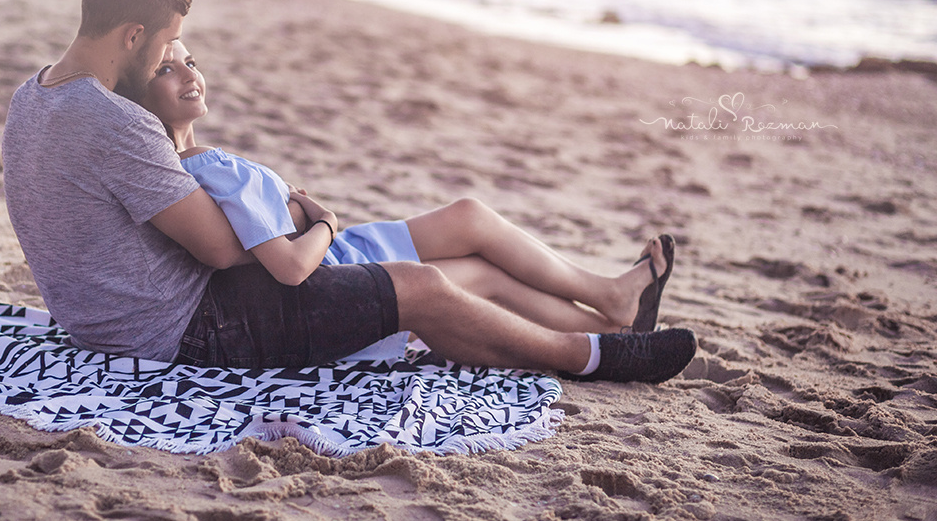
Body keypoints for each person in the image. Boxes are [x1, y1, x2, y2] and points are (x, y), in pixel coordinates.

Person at [2, 0, 696, 384]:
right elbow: (221, 249)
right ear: (131, 35)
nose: (172, 59)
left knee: (437, 274)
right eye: (169, 45)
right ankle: (593, 357)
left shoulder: (32, 96)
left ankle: (604, 320)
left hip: (115, 318)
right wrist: (312, 219)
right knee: (420, 286)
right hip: (184, 331)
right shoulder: (115, 122)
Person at [136, 39, 676, 342]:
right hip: (341, 274)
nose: (188, 73)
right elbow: (288, 265)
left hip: (347, 253)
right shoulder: (198, 168)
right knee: (483, 275)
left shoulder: (201, 162)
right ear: (141, 94)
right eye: (166, 68)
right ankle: (609, 328)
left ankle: (609, 299)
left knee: (470, 215)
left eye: (191, 60)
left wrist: (300, 212)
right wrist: (324, 219)